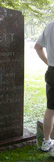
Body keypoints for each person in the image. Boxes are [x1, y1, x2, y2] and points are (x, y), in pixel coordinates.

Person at [34, 21, 54, 157]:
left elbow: (37, 47)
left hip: (52, 71)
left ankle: (46, 141)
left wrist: (49, 63)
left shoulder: (50, 26)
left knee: (51, 107)